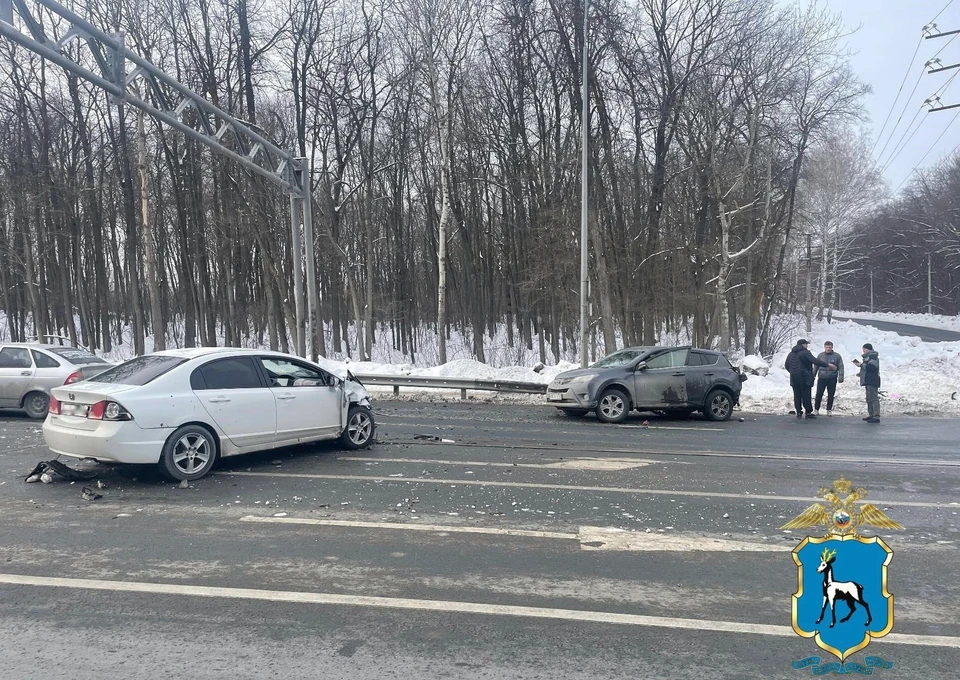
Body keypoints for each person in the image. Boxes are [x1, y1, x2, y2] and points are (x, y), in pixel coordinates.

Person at [785, 339, 836, 419]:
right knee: (806, 394)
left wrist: (793, 372)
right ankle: (808, 411)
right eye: (806, 344)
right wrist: (827, 365)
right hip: (804, 377)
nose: (807, 346)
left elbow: (786, 365)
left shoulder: (791, 354)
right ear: (803, 344)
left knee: (797, 395)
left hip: (794, 378)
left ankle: (798, 411)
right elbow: (815, 361)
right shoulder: (805, 352)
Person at [852, 343, 881, 424]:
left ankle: (876, 415)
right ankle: (871, 414)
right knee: (869, 398)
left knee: (873, 398)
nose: (863, 351)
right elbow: (867, 368)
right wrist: (861, 373)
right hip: (868, 380)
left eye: (864, 349)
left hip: (873, 380)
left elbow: (871, 367)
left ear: (869, 349)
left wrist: (861, 365)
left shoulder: (873, 356)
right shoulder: (868, 357)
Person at [814, 341, 844, 416]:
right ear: (824, 347)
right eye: (826, 347)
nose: (828, 349)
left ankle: (829, 410)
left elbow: (841, 366)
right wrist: (813, 375)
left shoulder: (837, 356)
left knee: (831, 394)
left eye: (829, 347)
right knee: (819, 394)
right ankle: (816, 409)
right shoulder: (820, 355)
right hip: (822, 377)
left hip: (832, 378)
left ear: (832, 347)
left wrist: (841, 376)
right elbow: (816, 366)